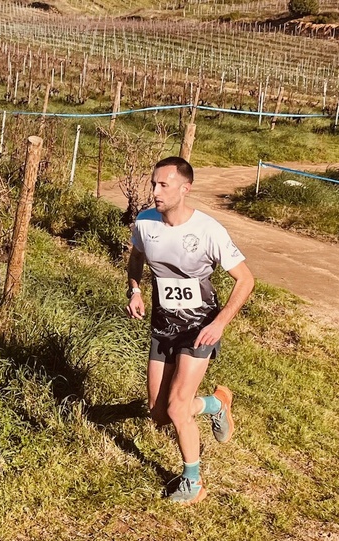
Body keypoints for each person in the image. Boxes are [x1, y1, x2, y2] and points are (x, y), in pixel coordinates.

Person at [126, 156, 255, 505]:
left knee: (179, 407)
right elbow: (136, 257)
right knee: (158, 412)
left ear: (185, 189)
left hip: (199, 327)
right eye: (153, 184)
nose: (155, 191)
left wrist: (220, 322)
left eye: (163, 185)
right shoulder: (145, 222)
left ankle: (192, 482)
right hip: (162, 324)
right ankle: (216, 403)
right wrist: (135, 290)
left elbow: (245, 280)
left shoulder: (208, 230)